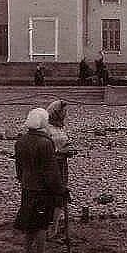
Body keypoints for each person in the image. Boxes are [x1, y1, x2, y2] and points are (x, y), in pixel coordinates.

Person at [14, 108, 66, 253]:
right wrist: (59, 189)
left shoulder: (21, 141)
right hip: (42, 190)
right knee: (41, 224)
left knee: (29, 222)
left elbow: (19, 167)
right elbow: (50, 170)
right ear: (44, 122)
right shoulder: (45, 143)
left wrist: (23, 179)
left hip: (27, 186)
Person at [46, 100, 76, 238]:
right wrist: (61, 152)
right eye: (63, 112)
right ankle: (47, 224)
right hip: (52, 165)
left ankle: (55, 225)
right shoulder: (47, 128)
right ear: (56, 113)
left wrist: (69, 149)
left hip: (62, 165)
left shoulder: (61, 127)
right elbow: (46, 149)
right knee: (52, 193)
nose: (65, 115)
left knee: (61, 194)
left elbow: (64, 143)